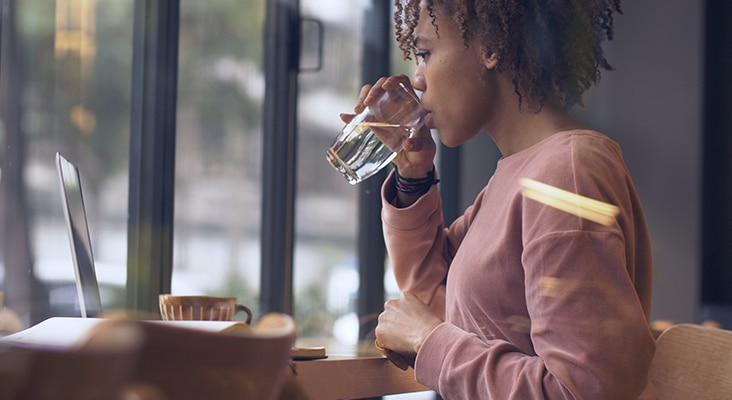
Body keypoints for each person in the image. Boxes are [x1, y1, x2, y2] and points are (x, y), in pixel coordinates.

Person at [345, 0, 657, 398]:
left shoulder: (566, 174)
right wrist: (413, 175)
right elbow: (436, 298)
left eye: (424, 54)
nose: (416, 79)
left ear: (491, 46)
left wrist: (428, 341)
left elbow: (581, 392)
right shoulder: (522, 174)